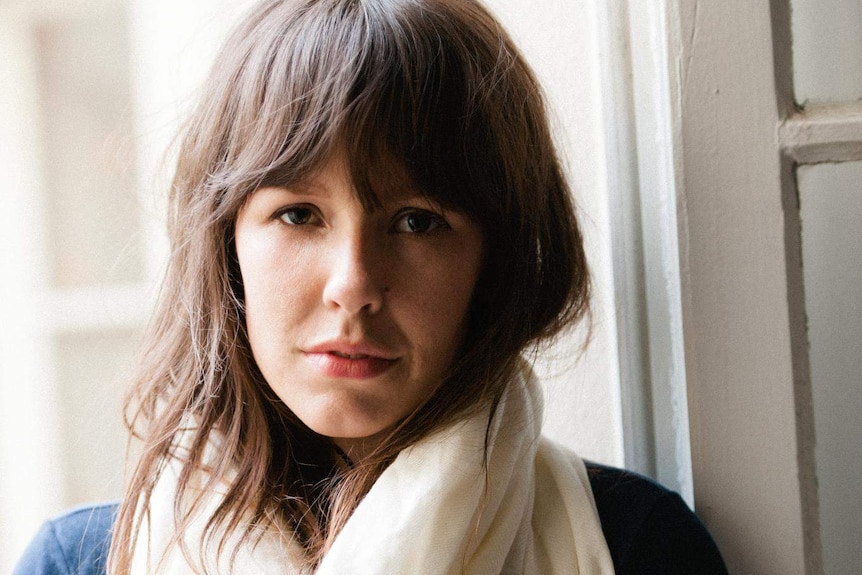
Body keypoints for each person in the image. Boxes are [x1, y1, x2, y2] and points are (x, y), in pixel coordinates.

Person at [15, 0, 728, 573]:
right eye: (298, 214)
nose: (353, 285)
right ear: (226, 245)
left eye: (417, 222)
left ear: (496, 257)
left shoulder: (636, 547)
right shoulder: (76, 562)